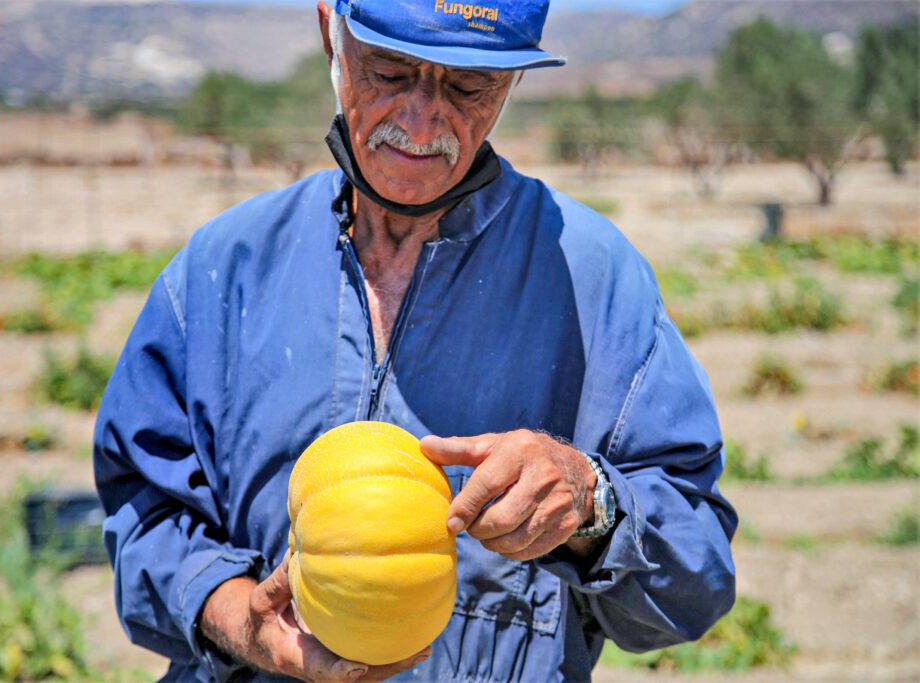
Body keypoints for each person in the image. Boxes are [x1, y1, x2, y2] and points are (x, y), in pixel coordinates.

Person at [93, 1, 737, 681]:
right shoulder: (223, 268)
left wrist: (591, 506)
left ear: (512, 81)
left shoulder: (594, 280)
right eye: (390, 70)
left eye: (467, 86)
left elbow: (695, 575)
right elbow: (148, 517)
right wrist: (243, 622)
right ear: (330, 35)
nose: (422, 120)